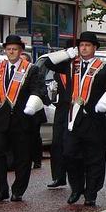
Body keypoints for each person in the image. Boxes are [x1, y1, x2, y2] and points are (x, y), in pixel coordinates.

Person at [45, 31, 106, 206]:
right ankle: (77, 187)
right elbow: (49, 63)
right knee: (69, 154)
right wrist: (65, 54)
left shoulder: (104, 68)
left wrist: (103, 103)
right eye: (81, 45)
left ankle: (91, 192)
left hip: (93, 119)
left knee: (94, 157)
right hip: (73, 119)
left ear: (94, 48)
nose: (83, 48)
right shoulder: (71, 65)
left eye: (87, 45)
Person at [0, 35, 45, 202]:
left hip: (22, 120)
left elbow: (38, 90)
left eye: (14, 49)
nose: (11, 52)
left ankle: (18, 190)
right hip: (1, 120)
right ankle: (1, 190)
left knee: (22, 157)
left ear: (20, 51)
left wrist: (32, 104)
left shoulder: (31, 69)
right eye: (8, 49)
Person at [45, 39, 74, 189]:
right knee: (57, 143)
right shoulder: (61, 67)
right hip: (62, 108)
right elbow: (48, 63)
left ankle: (75, 177)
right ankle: (58, 176)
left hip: (76, 108)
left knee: (72, 145)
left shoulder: (79, 67)